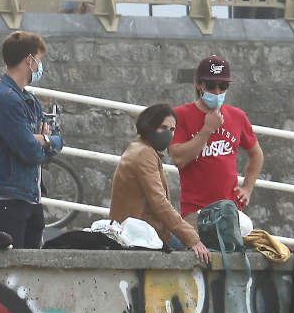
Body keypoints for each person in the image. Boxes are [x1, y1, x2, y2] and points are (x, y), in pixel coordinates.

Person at [0, 31, 63, 249]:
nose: (40, 67)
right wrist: (45, 141)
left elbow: (58, 140)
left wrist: (43, 140)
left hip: (30, 195)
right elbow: (31, 152)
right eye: (39, 60)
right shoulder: (6, 99)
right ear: (29, 60)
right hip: (7, 198)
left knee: (32, 262)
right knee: (15, 262)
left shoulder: (29, 99)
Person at [109, 103, 215, 263]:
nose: (168, 134)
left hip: (138, 229)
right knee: (207, 254)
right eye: (163, 127)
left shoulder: (137, 149)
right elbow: (159, 203)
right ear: (149, 126)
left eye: (172, 129)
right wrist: (192, 239)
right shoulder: (144, 154)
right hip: (142, 234)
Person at [169, 55, 264, 218]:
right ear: (198, 84)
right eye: (211, 86)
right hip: (195, 210)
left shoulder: (237, 116)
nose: (217, 92)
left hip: (230, 209)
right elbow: (178, 158)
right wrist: (207, 129)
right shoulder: (180, 115)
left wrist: (247, 188)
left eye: (223, 86)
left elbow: (256, 155)